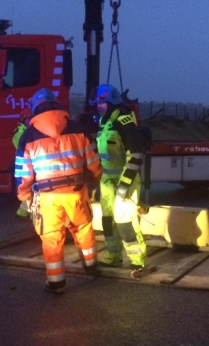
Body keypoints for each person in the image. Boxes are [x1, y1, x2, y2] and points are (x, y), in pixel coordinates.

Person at [14, 88, 102, 294]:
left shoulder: (28, 136)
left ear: (35, 109)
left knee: (52, 237)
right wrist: (95, 179)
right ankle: (90, 265)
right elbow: (93, 160)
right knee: (82, 227)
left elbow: (23, 172)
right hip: (76, 190)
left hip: (47, 197)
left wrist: (24, 194)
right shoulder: (78, 128)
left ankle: (56, 283)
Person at [90, 84, 147, 279]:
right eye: (97, 103)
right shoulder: (104, 123)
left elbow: (136, 155)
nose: (99, 107)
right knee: (107, 219)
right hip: (107, 180)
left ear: (112, 103)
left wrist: (124, 185)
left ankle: (138, 261)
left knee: (124, 221)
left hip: (125, 180)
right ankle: (112, 255)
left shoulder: (124, 122)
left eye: (102, 103)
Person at [12, 107, 33, 217]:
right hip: (24, 164)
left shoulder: (26, 131)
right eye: (28, 119)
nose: (31, 121)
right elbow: (22, 147)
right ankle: (25, 213)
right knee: (26, 188)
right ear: (23, 120)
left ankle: (24, 212)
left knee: (29, 189)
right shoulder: (20, 132)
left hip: (26, 163)